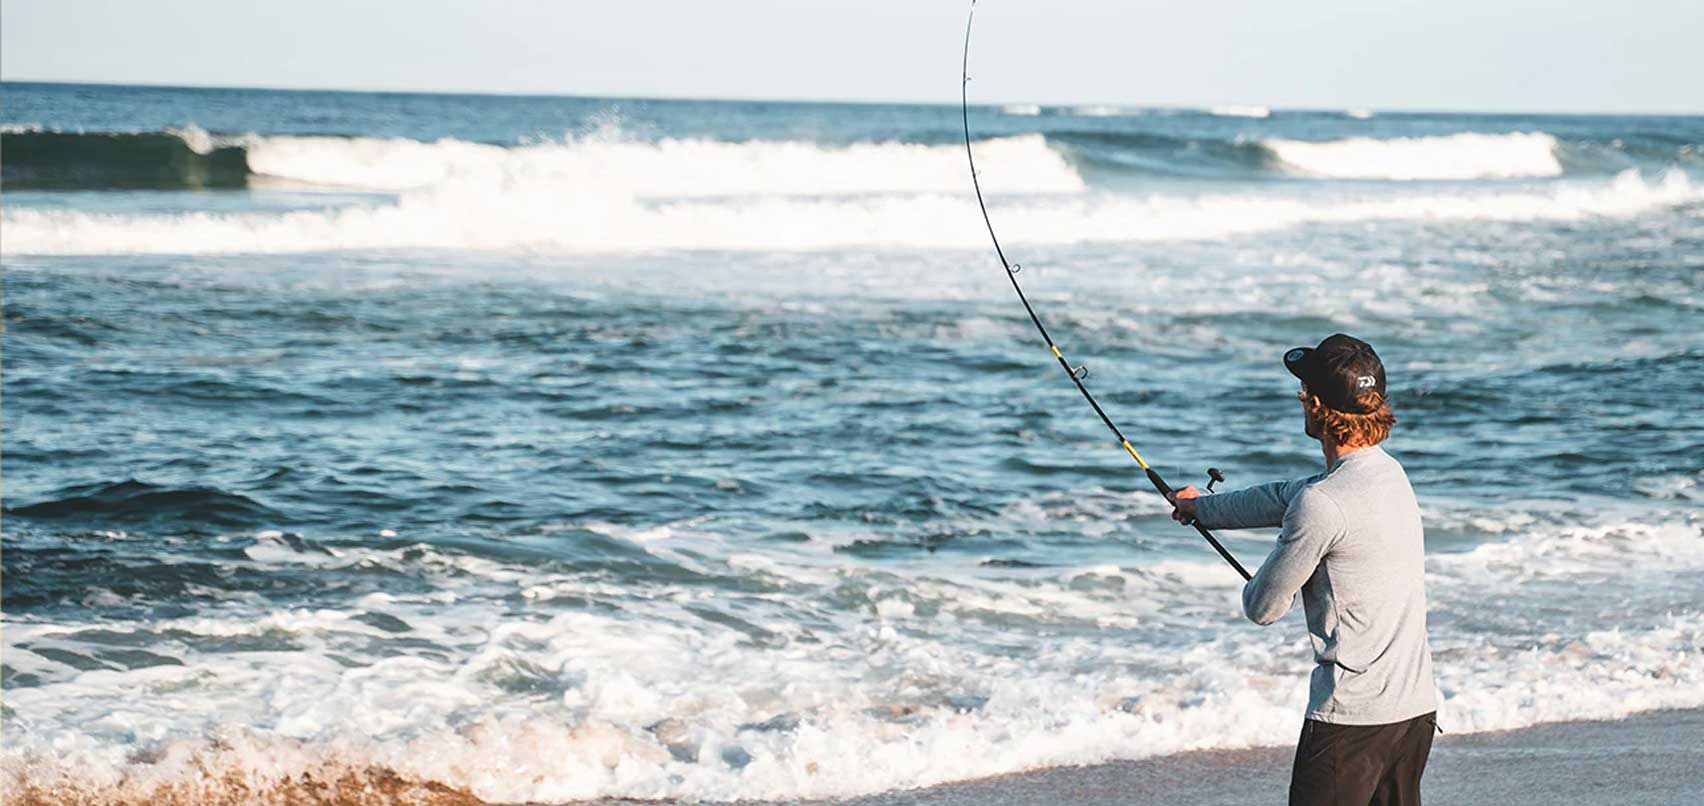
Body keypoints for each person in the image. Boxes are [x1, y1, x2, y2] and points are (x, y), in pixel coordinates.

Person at [1168, 334, 1438, 806]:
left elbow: (1264, 607)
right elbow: (1284, 496)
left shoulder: (1322, 504)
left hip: (1352, 721)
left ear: (1313, 404)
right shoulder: (1389, 474)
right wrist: (1202, 509)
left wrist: (1272, 578)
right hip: (1413, 710)